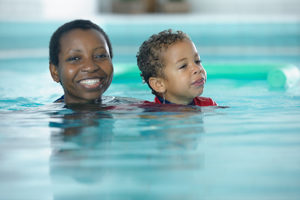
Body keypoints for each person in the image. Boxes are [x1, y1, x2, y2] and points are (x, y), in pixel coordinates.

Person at [136, 29, 217, 106]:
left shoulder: (208, 105)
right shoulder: (152, 114)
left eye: (197, 61)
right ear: (159, 84)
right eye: (183, 66)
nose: (197, 69)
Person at [49, 19, 114, 104]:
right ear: (55, 72)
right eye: (75, 58)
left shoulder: (129, 108)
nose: (91, 67)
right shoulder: (39, 116)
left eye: (100, 56)